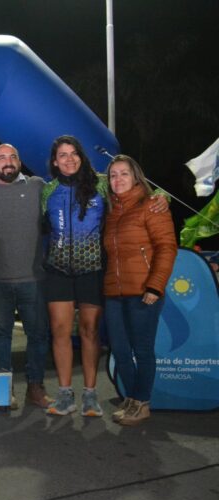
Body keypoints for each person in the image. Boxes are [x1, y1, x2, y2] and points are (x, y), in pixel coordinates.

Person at [42, 135, 168, 417]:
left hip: (94, 271)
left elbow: (136, 195)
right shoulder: (47, 191)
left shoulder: (101, 183)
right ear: (54, 161)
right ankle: (64, 395)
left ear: (81, 156)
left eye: (74, 153)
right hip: (58, 271)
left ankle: (89, 394)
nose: (69, 159)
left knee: (90, 332)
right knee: (60, 332)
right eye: (62, 155)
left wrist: (163, 198)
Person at [0, 144, 52, 409]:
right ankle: (3, 389)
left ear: (19, 162)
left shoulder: (38, 186)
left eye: (13, 157)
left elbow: (74, 191)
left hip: (33, 278)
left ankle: (36, 386)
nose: (8, 162)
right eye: (1, 158)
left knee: (38, 335)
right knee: (1, 335)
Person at [103, 155, 177, 425]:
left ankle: (142, 402)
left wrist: (155, 286)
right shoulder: (112, 211)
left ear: (136, 177)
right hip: (114, 293)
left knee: (142, 350)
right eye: (113, 175)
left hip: (144, 291)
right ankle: (132, 400)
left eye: (124, 173)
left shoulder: (152, 206)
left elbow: (166, 248)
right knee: (120, 351)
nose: (118, 179)